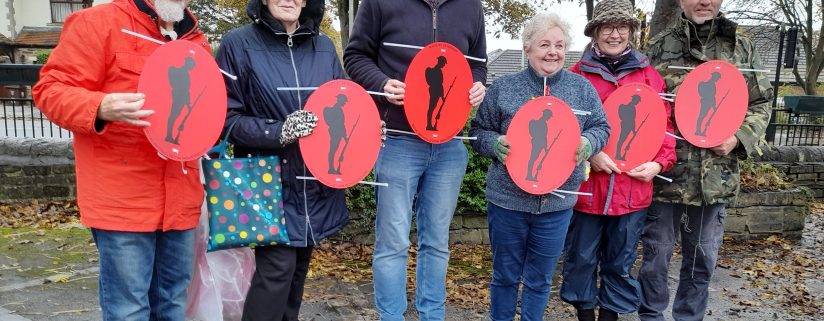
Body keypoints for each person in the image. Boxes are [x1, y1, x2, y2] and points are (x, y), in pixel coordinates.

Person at [32, 0, 208, 320]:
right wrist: (100, 106)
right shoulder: (96, 23)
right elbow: (49, 91)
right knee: (129, 311)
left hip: (181, 199)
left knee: (173, 305)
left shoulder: (195, 37)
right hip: (122, 201)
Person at [343, 1, 487, 320]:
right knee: (393, 242)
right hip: (396, 140)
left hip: (449, 144)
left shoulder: (471, 6)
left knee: (437, 243)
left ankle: (432, 316)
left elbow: (477, 64)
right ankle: (391, 316)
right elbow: (354, 56)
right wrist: (380, 83)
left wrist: (477, 85)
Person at [469, 12, 610, 321]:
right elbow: (478, 132)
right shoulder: (504, 88)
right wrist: (494, 144)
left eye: (559, 45)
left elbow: (602, 127)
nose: (553, 52)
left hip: (557, 204)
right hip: (508, 202)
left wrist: (590, 141)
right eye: (544, 44)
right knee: (505, 276)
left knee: (540, 280)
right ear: (527, 48)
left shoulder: (582, 89)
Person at [638, 0, 774, 319]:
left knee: (701, 262)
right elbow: (643, 105)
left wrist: (739, 137)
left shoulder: (741, 46)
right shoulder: (658, 46)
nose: (704, 1)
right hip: (666, 178)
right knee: (655, 259)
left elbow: (761, 102)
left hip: (714, 179)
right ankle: (650, 316)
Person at [214, 0, 348, 320]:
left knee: (297, 270)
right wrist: (280, 131)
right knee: (277, 270)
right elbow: (224, 119)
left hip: (315, 183)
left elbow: (343, 104)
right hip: (267, 181)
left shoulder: (325, 47)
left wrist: (368, 132)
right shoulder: (237, 43)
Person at [556, 1, 677, 320]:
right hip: (587, 191)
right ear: (595, 32)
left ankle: (610, 316)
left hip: (631, 188)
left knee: (620, 261)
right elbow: (562, 127)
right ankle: (584, 314)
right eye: (607, 27)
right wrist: (589, 152)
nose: (614, 34)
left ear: (631, 32)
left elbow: (665, 128)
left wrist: (659, 164)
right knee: (581, 257)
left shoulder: (650, 77)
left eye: (622, 27)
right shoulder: (576, 76)